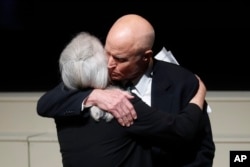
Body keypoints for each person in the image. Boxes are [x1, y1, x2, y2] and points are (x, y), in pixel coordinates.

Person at [37, 14, 215, 166]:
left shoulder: (182, 81)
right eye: (107, 53)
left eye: (120, 59)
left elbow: (201, 147)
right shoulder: (99, 76)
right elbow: (47, 102)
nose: (109, 63)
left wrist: (199, 93)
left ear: (145, 57)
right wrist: (93, 95)